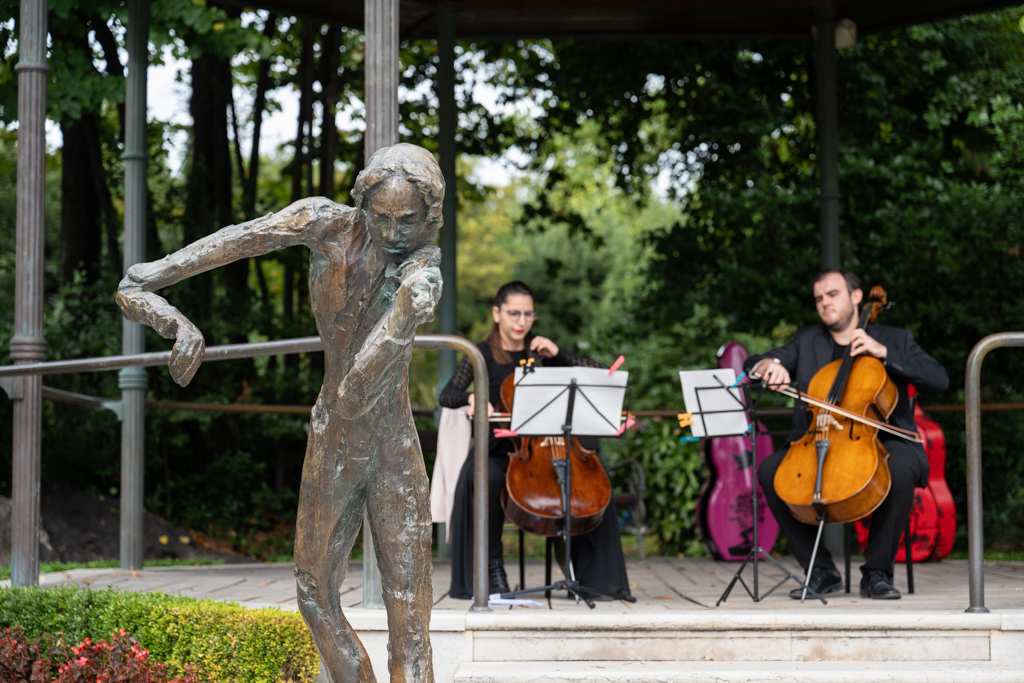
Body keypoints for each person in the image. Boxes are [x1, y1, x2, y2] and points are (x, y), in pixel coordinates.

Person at [117, 144, 443, 683]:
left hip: (391, 446)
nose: (390, 233)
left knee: (409, 615)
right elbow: (236, 241)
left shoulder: (422, 269)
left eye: (406, 221)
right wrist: (163, 293)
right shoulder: (324, 223)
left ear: (429, 217)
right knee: (314, 593)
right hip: (332, 438)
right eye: (380, 217)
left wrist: (404, 315)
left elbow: (361, 384)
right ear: (362, 204)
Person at [743, 270, 948, 600]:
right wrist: (769, 366)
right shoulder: (807, 341)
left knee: (898, 467)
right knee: (771, 470)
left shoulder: (895, 340)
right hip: (820, 437)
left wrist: (884, 354)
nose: (825, 302)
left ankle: (877, 573)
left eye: (832, 294)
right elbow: (753, 363)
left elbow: (939, 380)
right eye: (819, 298)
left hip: (883, 438)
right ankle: (821, 570)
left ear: (856, 297)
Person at [439, 281, 632, 601]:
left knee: (592, 480)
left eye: (528, 314)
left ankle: (593, 579)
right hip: (502, 450)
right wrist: (474, 397)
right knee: (484, 478)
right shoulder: (481, 354)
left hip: (550, 447)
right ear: (497, 314)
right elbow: (448, 394)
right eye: (514, 313)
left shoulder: (542, 352)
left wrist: (560, 354)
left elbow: (602, 376)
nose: (521, 322)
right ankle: (491, 569)